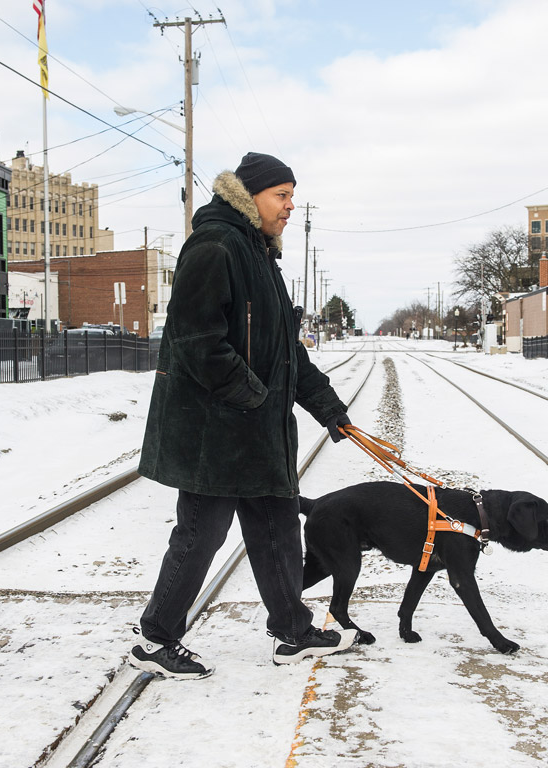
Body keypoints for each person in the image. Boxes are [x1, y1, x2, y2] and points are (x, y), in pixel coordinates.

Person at [130, 152, 357, 679]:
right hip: (218, 432)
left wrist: (329, 409)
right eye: (282, 195)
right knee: (202, 533)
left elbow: (286, 354)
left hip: (257, 431)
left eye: (292, 195)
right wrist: (254, 396)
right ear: (249, 195)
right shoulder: (215, 247)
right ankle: (155, 638)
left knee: (277, 525)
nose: (290, 206)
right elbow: (196, 341)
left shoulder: (260, 255)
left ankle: (293, 631)